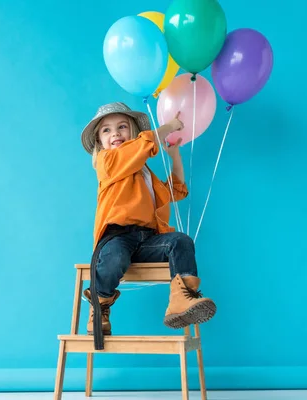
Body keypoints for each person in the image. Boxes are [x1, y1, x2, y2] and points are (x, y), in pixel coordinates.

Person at [80, 102, 216, 350]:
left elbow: (173, 192)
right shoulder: (107, 162)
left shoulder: (144, 175)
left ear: (132, 131)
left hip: (147, 239)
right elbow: (141, 146)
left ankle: (181, 299)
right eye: (107, 131)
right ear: (100, 143)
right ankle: (100, 305)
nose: (116, 134)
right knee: (115, 258)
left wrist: (175, 157)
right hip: (117, 237)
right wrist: (168, 127)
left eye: (122, 127)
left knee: (181, 241)